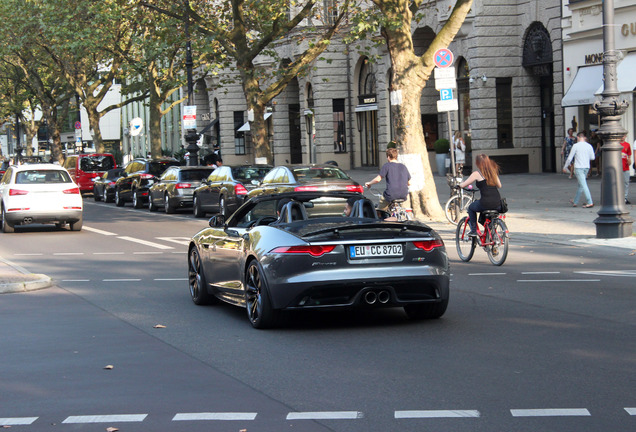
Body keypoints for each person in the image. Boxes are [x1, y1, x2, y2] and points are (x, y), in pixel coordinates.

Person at [459, 154, 502, 236]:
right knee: (487, 214)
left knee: (471, 208)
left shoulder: (476, 174)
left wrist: (459, 185)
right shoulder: (493, 172)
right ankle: (490, 233)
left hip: (485, 202)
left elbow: (463, 185)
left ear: (477, 163)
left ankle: (474, 230)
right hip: (498, 203)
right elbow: (499, 185)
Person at [563, 131, 595, 208]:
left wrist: (565, 166)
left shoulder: (575, 146)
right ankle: (575, 201)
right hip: (586, 167)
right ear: (584, 138)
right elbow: (592, 157)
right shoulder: (589, 146)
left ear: (578, 137)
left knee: (583, 185)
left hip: (578, 167)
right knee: (581, 185)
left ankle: (590, 201)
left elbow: (570, 157)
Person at [620, 135, 632, 204]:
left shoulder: (627, 145)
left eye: (623, 136)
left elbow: (629, 154)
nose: (622, 137)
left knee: (626, 183)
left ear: (626, 136)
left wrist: (629, 159)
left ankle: (625, 198)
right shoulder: (617, 144)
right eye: (621, 136)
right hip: (618, 167)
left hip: (626, 166)